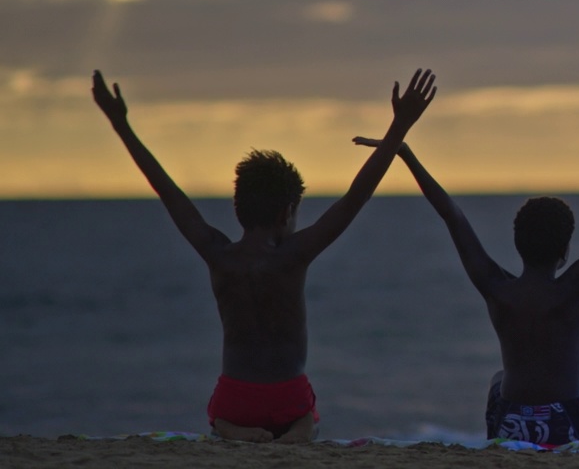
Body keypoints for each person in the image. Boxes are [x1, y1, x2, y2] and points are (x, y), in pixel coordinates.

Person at [92, 68, 436, 443]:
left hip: (236, 396)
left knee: (220, 417)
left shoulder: (218, 253)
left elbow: (168, 192)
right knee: (309, 420)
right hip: (287, 394)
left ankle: (231, 429)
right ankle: (297, 431)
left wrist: (121, 125)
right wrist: (400, 126)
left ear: (239, 207)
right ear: (285, 213)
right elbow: (356, 197)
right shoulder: (293, 255)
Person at [353, 105, 579, 449]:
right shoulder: (574, 289)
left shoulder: (496, 288)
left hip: (508, 422)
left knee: (499, 378)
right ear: (565, 251)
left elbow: (453, 216)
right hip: (568, 424)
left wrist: (405, 154)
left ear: (517, 243)